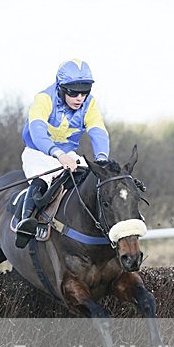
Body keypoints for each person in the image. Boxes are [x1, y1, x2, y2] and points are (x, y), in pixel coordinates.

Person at [15, 58, 110, 247]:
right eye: (74, 92)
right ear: (61, 87)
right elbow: (38, 132)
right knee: (42, 181)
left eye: (85, 92)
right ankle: (25, 223)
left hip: (68, 154)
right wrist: (58, 154)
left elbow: (98, 131)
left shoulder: (89, 104)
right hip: (39, 152)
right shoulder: (43, 99)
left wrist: (101, 159)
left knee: (93, 180)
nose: (79, 98)